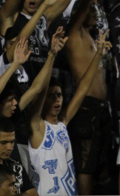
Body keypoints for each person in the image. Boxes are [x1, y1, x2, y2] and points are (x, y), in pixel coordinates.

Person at [27, 30, 110, 195]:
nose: (57, 99)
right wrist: (51, 55)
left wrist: (98, 54)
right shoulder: (37, 127)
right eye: (51, 96)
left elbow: (83, 88)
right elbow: (40, 90)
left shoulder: (62, 123)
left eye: (59, 95)